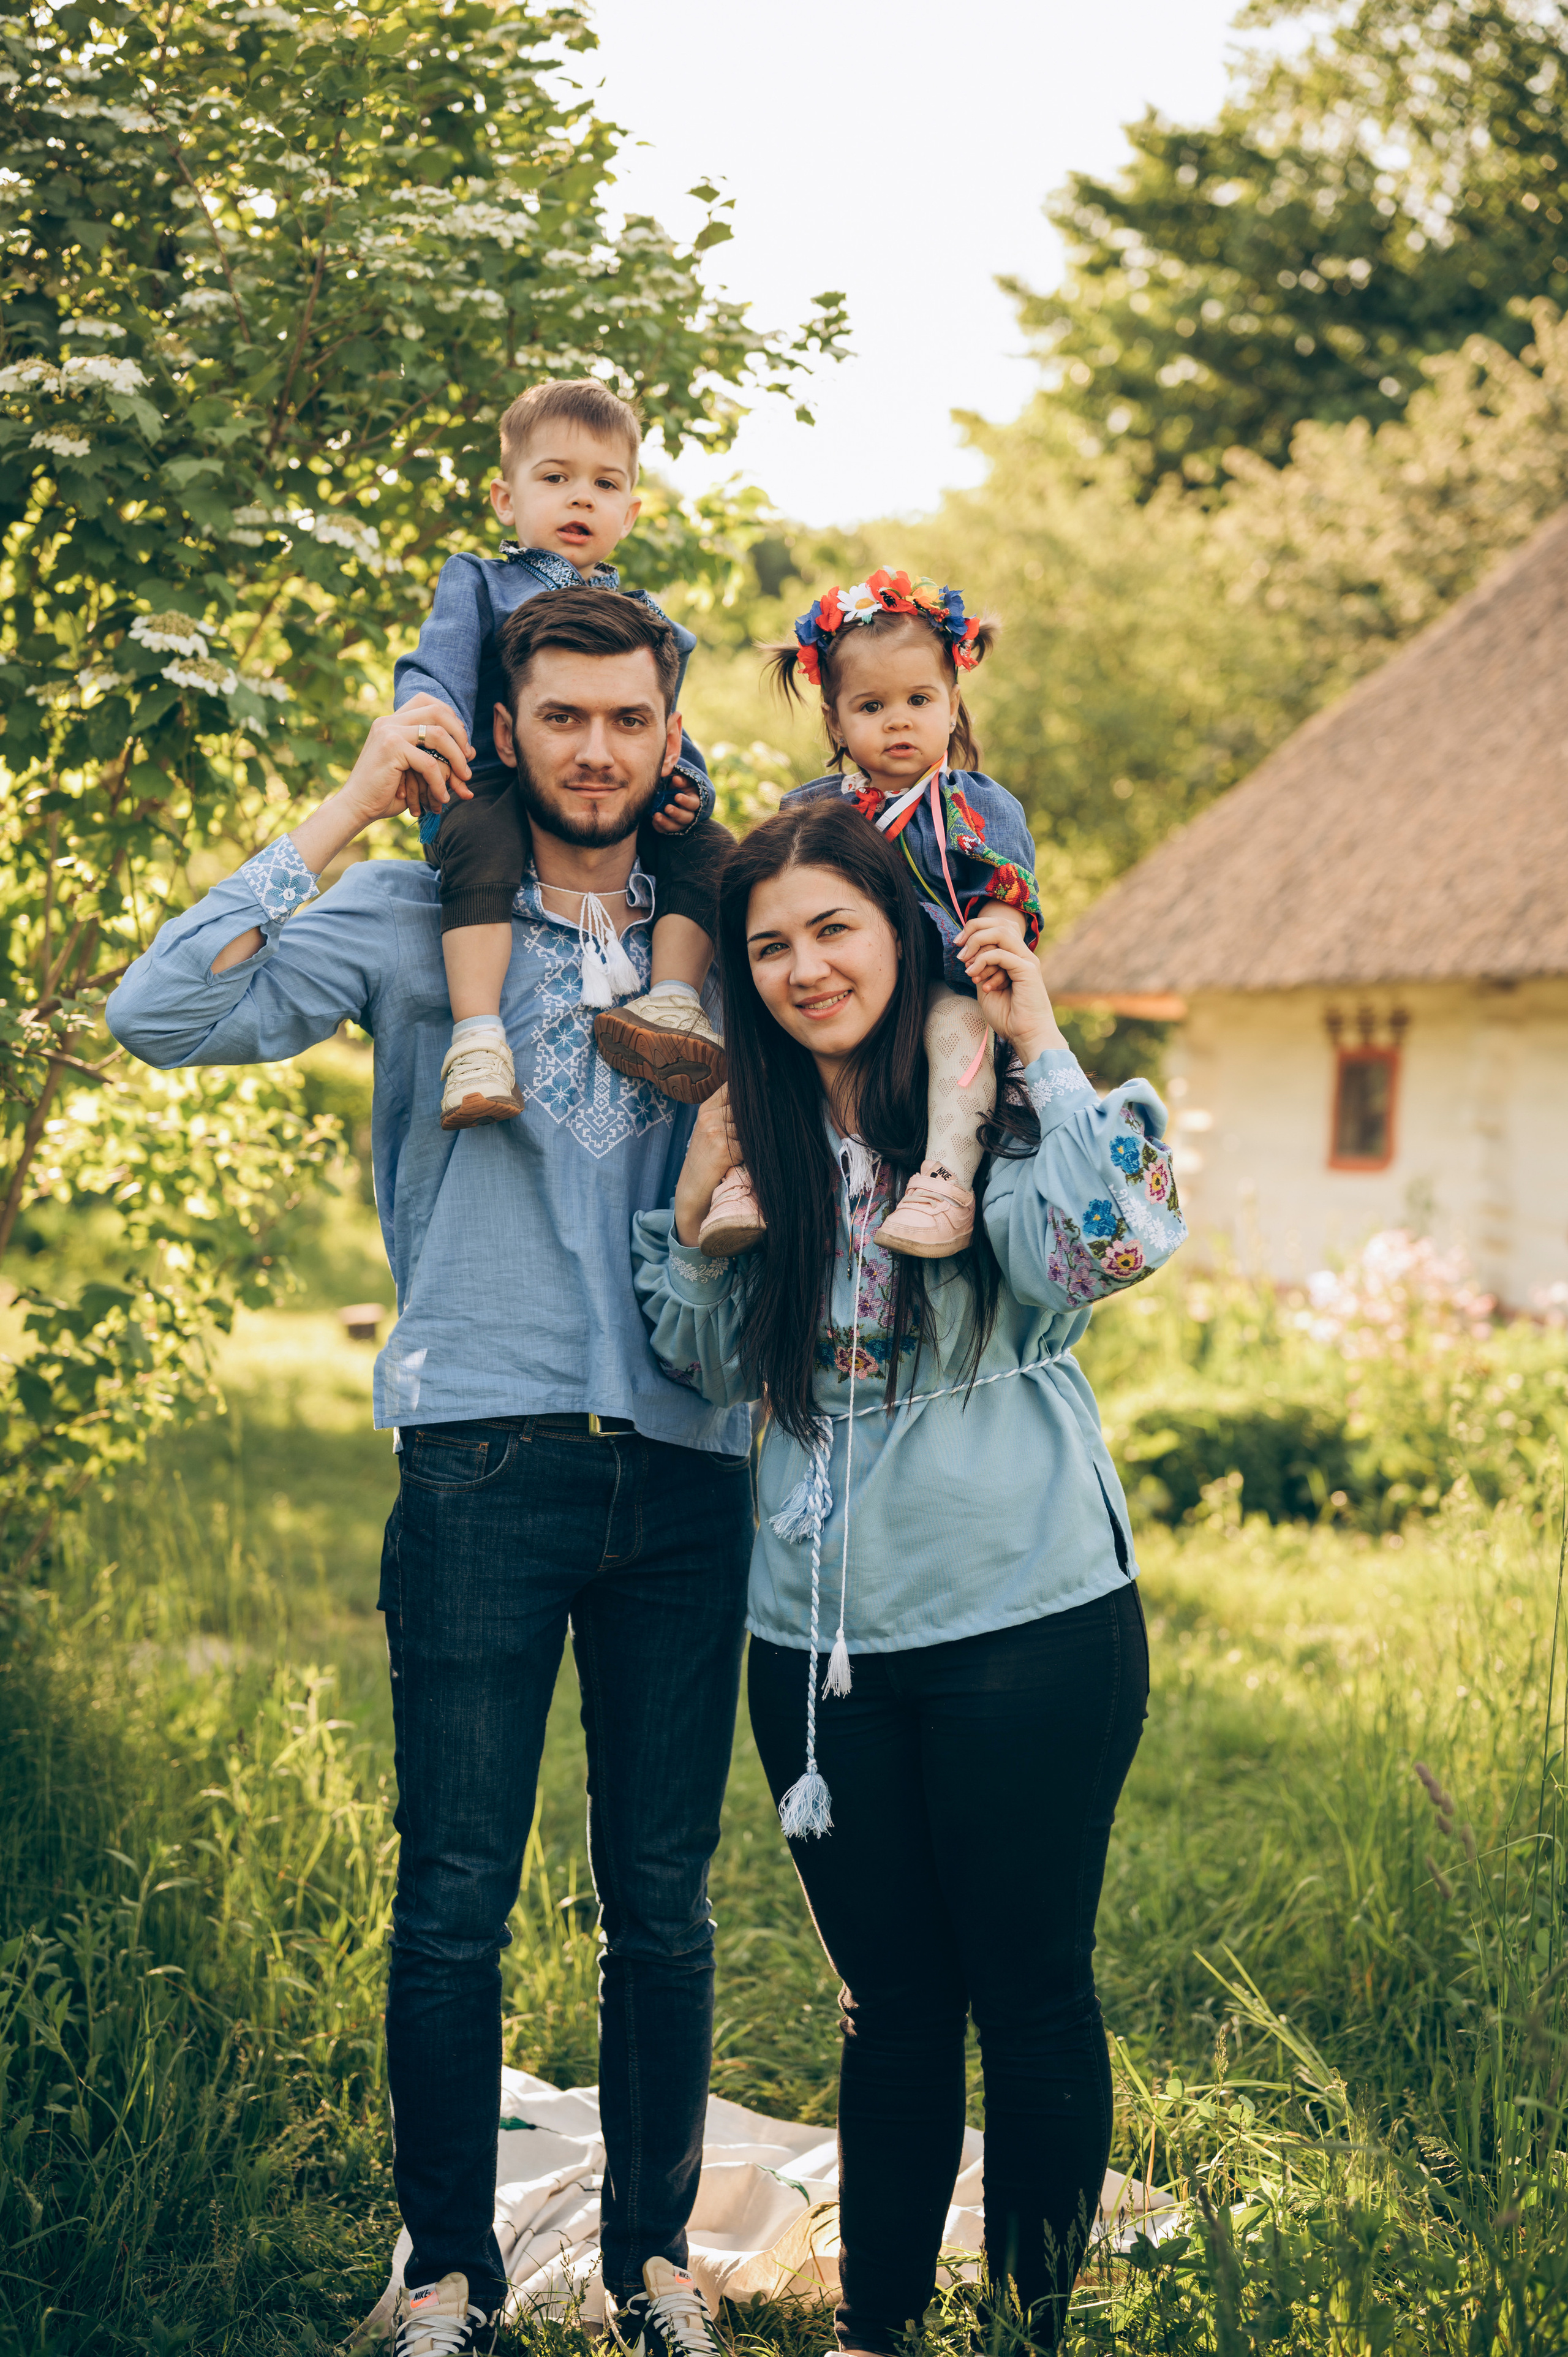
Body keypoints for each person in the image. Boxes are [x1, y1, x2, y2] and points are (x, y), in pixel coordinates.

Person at [108, 592, 755, 2357]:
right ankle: (449, 2273)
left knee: (666, 1896)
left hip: (694, 1465)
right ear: (509, 721)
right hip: (480, 1452)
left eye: (630, 718)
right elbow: (157, 1011)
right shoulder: (415, 912)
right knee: (456, 1887)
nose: (598, 749)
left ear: (671, 727)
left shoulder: (723, 922)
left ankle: (656, 2268)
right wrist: (344, 809)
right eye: (563, 717)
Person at [631, 798, 1186, 2351]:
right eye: (769, 947)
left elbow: (1101, 1246)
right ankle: (878, 2330)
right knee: (886, 2009)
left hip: (1028, 1613)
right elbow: (692, 1344)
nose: (804, 968)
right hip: (813, 1643)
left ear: (896, 932)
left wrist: (1040, 1037)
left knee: (1025, 1989)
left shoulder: (990, 1102)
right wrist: (695, 1209)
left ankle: (1019, 2328)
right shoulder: (749, 1128)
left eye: (833, 930)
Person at [393, 375, 731, 1127]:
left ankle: (672, 1002)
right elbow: (436, 667)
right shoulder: (479, 582)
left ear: (630, 513)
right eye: (555, 478)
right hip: (485, 789)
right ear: (506, 500)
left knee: (710, 845)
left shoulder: (648, 621)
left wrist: (689, 788)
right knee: (483, 838)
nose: (580, 498)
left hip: (603, 805)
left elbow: (664, 727)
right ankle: (479, 1040)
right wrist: (427, 729)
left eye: (604, 484)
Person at [694, 566, 1042, 1265]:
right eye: (872, 706)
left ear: (952, 702)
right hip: (847, 994)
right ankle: (750, 1174)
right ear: (836, 720)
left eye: (919, 699)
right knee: (765, 1034)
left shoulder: (972, 803)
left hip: (940, 980)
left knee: (959, 1030)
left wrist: (999, 931)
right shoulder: (816, 810)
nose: (899, 721)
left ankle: (945, 1183)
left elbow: (1007, 887)